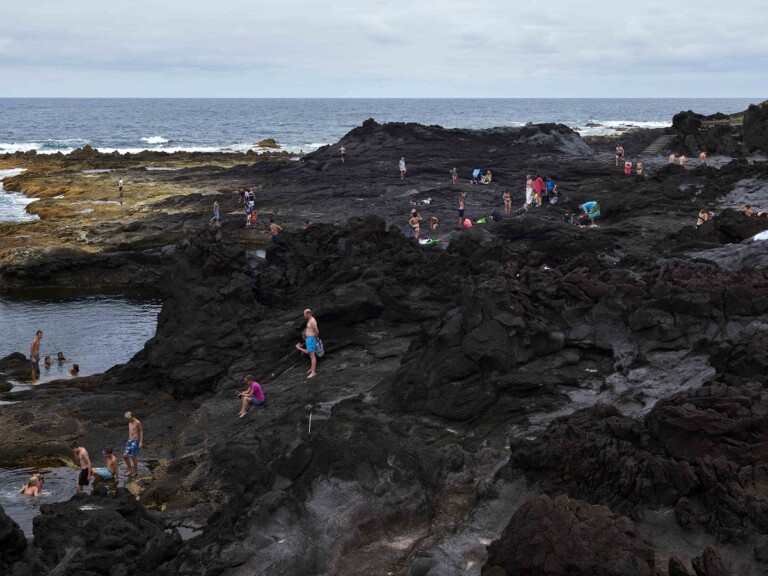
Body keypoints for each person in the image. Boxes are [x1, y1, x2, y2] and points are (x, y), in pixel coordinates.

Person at [295, 309, 319, 379]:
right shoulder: (310, 320)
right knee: (311, 354)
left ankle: (313, 372)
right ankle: (312, 368)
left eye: (304, 314)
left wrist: (317, 338)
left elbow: (316, 330)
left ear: (308, 313)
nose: (304, 315)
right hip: (309, 339)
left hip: (311, 339)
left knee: (312, 356)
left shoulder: (312, 321)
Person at [123, 412, 144, 478]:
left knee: (133, 457)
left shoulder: (137, 422)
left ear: (132, 417)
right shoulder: (129, 421)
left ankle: (135, 471)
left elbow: (141, 431)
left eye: (129, 419)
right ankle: (130, 469)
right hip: (129, 440)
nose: (128, 421)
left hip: (135, 441)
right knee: (125, 456)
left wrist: (140, 442)